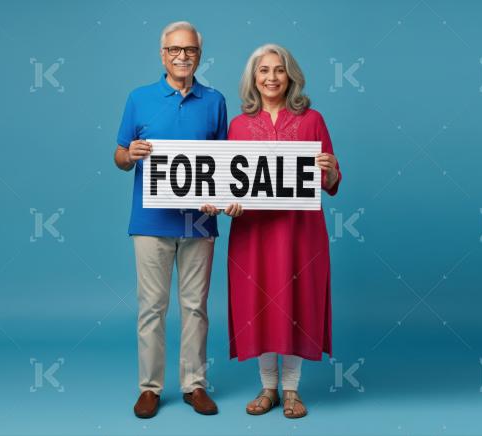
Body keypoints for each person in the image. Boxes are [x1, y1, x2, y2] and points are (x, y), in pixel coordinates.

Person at [113, 21, 227, 419]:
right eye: (175, 50)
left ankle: (194, 384)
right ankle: (150, 388)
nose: (182, 56)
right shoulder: (139, 99)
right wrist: (131, 155)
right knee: (152, 308)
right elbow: (119, 156)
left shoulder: (214, 101)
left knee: (196, 307)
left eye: (190, 50)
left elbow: (224, 164)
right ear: (163, 55)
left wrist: (219, 197)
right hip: (150, 221)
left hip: (199, 224)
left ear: (199, 55)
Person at [224, 43, 341, 419]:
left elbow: (330, 181)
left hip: (298, 230)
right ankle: (268, 387)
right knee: (258, 303)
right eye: (263, 70)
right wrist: (228, 201)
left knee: (295, 302)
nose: (271, 77)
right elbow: (229, 184)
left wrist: (333, 169)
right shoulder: (238, 126)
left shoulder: (312, 120)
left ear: (290, 75)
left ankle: (291, 391)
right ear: (253, 78)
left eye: (279, 70)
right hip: (253, 232)